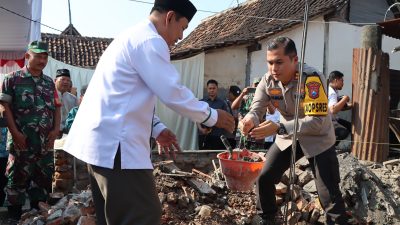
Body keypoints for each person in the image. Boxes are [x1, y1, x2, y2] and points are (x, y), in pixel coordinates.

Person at [62, 1, 235, 224]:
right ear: (169, 17)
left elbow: (126, 97)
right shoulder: (151, 40)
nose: (181, 36)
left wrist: (157, 129)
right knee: (143, 215)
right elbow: (171, 91)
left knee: (115, 216)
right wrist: (212, 116)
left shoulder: (132, 37)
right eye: (182, 27)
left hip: (104, 144)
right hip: (116, 147)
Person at [239, 36, 347, 225]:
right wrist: (249, 120)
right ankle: (268, 219)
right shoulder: (268, 80)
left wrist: (280, 127)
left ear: (294, 60)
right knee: (263, 178)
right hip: (288, 137)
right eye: (270, 62)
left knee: (328, 195)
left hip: (318, 139)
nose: (274, 68)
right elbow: (256, 109)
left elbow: (317, 122)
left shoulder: (311, 79)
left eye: (279, 62)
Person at [0, 41, 61, 221]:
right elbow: (5, 107)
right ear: (28, 56)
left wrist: (56, 130)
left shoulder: (50, 82)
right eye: (38, 56)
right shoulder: (12, 78)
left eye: (45, 57)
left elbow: (57, 108)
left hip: (44, 144)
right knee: (16, 183)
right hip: (22, 142)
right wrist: (16, 133)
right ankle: (14, 219)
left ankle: (36, 218)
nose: (42, 60)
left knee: (42, 184)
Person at [197, 79, 232, 149]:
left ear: (217, 89)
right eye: (210, 88)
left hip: (217, 135)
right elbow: (197, 117)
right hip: (203, 135)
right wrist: (201, 129)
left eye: (214, 88)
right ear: (207, 89)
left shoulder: (222, 103)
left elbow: (226, 118)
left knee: (216, 155)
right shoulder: (201, 102)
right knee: (203, 156)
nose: (212, 90)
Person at [233, 77, 265, 149]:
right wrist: (242, 93)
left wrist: (266, 96)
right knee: (240, 156)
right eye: (256, 85)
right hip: (242, 133)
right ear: (252, 85)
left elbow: (272, 111)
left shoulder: (265, 99)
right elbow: (233, 106)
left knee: (256, 157)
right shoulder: (245, 97)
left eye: (260, 85)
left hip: (257, 135)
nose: (257, 87)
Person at [328, 70, 352, 147]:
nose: (343, 83)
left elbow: (339, 108)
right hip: (329, 120)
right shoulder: (332, 93)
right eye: (342, 81)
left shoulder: (333, 90)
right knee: (343, 132)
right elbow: (333, 110)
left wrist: (352, 105)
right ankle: (330, 148)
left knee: (350, 126)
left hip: (333, 118)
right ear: (336, 80)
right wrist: (345, 98)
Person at [55, 69, 78, 134]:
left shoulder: (73, 99)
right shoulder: (49, 96)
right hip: (52, 133)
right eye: (63, 79)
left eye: (68, 80)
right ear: (55, 80)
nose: (66, 82)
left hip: (68, 133)